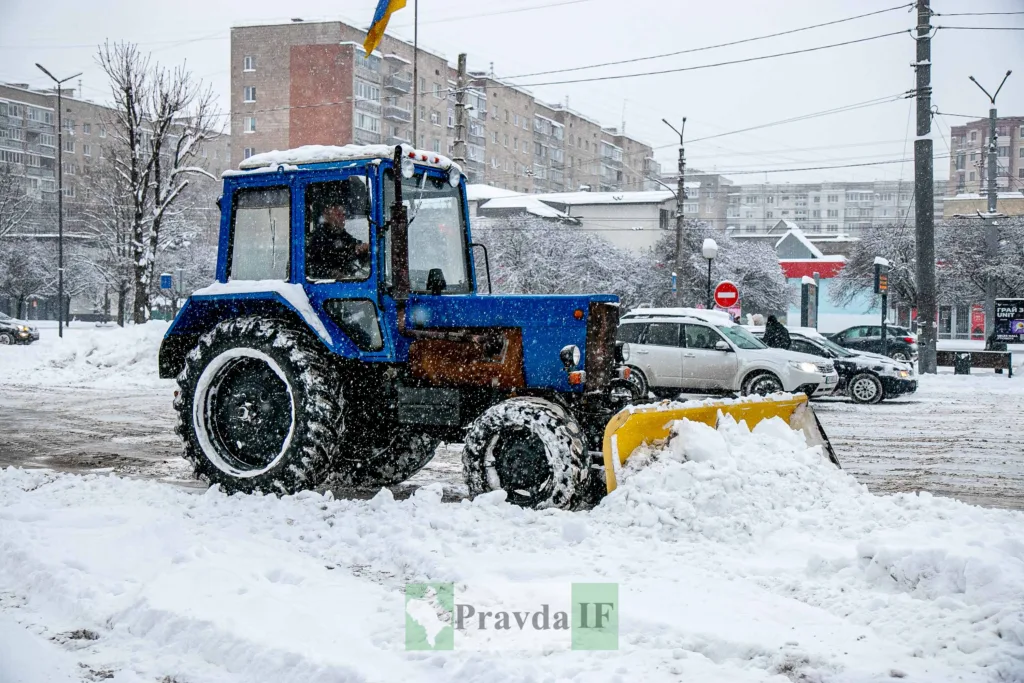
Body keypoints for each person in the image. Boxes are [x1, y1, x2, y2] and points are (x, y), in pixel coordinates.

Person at [306, 180, 371, 281]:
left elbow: (352, 247)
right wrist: (330, 274)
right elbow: (310, 269)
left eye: (343, 215)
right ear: (326, 214)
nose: (342, 219)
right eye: (338, 215)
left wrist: (362, 249)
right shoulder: (317, 239)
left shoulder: (342, 236)